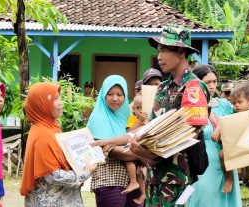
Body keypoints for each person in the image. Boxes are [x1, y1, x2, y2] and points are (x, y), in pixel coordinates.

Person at [129, 24, 210, 206]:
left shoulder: (192, 87)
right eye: (159, 51)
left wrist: (149, 153)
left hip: (176, 180)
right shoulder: (163, 88)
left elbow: (191, 132)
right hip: (154, 176)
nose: (159, 57)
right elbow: (150, 127)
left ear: (181, 52)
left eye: (164, 50)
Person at [20, 82, 96, 207]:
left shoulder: (49, 128)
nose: (60, 102)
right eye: (55, 99)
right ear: (42, 104)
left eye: (59, 97)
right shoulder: (43, 134)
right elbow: (53, 176)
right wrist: (85, 173)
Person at [188, 65, 241, 207]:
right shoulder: (191, 107)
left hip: (225, 160)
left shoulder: (224, 105)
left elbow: (242, 121)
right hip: (203, 161)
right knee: (204, 198)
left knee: (224, 199)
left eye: (214, 81)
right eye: (207, 82)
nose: (212, 86)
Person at [87, 75, 143, 207]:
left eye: (120, 94)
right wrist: (145, 154)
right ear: (103, 95)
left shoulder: (128, 117)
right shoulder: (98, 118)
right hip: (109, 181)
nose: (115, 98)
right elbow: (114, 152)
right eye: (110, 94)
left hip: (133, 181)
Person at [230, 85, 249, 186]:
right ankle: (235, 179)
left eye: (240, 102)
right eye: (234, 103)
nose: (236, 105)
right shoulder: (232, 114)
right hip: (238, 146)